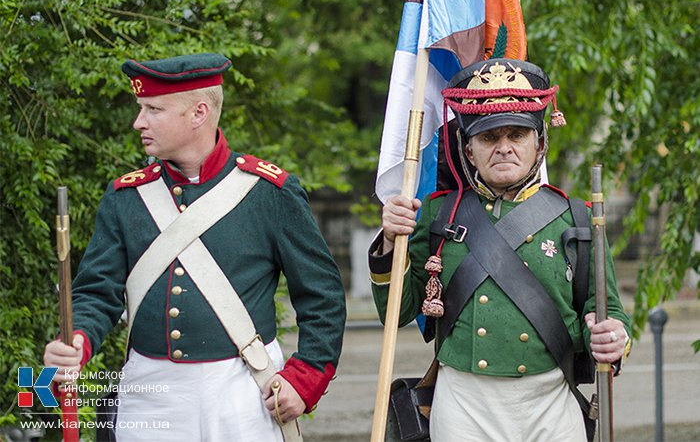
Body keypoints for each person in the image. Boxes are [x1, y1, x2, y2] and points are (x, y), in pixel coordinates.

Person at [44, 52, 346, 441]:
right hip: (151, 393)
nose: (139, 122)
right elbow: (96, 293)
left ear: (198, 113)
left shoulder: (270, 193)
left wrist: (305, 378)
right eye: (141, 108)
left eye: (153, 109)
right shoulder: (125, 197)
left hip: (242, 392)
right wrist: (78, 341)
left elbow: (322, 296)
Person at [369, 58, 631, 441]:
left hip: (550, 404)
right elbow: (396, 311)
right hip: (463, 405)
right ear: (469, 149)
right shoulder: (438, 214)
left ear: (539, 142)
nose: (503, 148)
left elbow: (608, 311)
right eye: (489, 138)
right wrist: (392, 240)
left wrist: (615, 336)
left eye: (517, 135)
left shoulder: (578, 218)